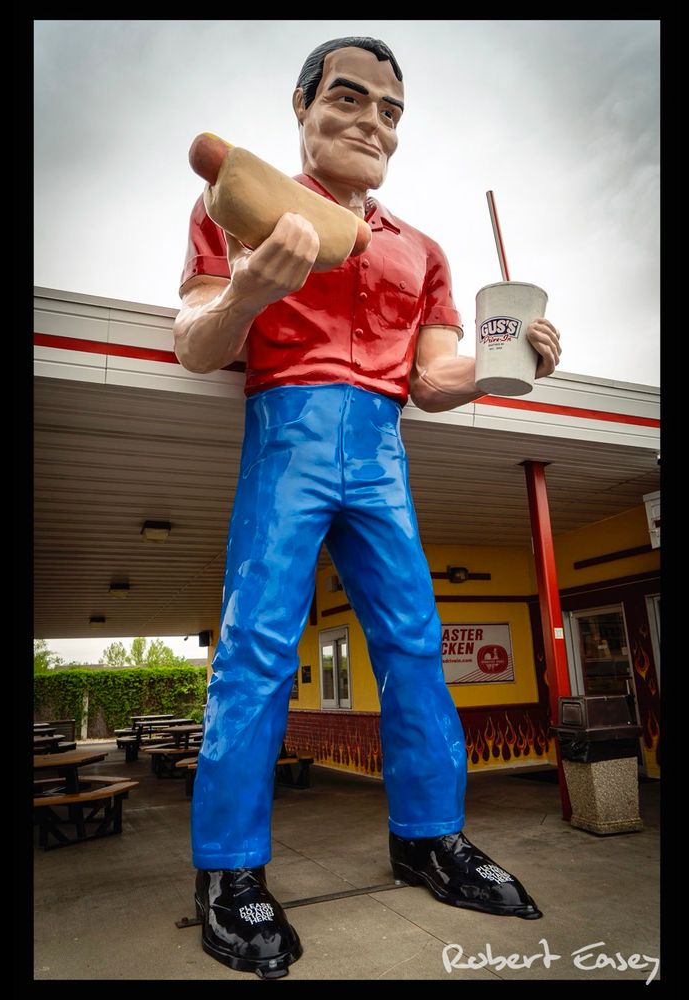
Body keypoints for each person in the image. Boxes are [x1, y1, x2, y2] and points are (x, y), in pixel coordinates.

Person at [173, 36, 561, 979]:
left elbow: (430, 379)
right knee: (257, 645)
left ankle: (430, 838)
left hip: (382, 446)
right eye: (348, 99)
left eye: (390, 110)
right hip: (288, 430)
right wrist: (250, 291)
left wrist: (507, 364)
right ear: (302, 105)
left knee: (416, 644)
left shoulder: (421, 249)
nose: (372, 123)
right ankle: (228, 869)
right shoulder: (237, 203)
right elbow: (196, 340)